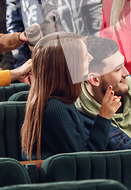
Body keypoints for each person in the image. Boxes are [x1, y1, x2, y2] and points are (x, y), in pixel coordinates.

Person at [21, 32, 121, 160]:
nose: (90, 57)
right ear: (67, 67)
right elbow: (81, 160)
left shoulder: (57, 100)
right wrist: (104, 117)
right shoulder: (54, 107)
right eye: (84, 57)